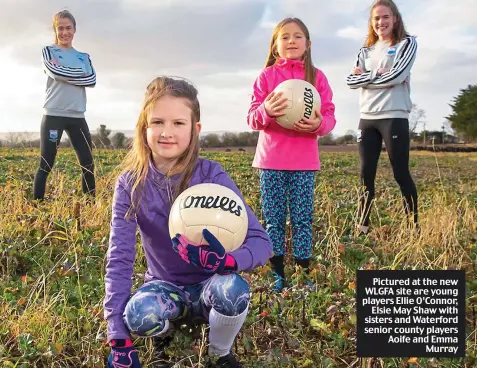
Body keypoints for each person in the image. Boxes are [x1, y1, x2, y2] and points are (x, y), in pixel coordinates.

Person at [104, 76, 272, 368]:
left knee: (232, 289)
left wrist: (228, 262)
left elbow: (261, 242)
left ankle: (219, 353)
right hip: (164, 287)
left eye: (178, 123)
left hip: (210, 286)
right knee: (138, 315)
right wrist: (118, 337)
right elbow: (119, 258)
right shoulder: (130, 184)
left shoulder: (211, 175)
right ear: (144, 127)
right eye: (157, 122)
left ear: (195, 130)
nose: (166, 132)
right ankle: (166, 338)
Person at [247, 18, 336, 293]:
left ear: (307, 44)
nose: (291, 41)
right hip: (271, 161)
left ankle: (303, 272)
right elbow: (252, 119)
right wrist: (267, 111)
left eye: (298, 36)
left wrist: (318, 125)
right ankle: (278, 274)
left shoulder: (317, 77)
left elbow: (330, 115)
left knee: (301, 219)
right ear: (275, 46)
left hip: (304, 162)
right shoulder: (266, 77)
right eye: (284, 37)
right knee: (273, 219)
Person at [346, 0, 418, 235]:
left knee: (400, 173)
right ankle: (362, 227)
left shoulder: (407, 43)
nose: (381, 22)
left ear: (395, 18)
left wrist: (366, 77)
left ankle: (413, 227)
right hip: (367, 119)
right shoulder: (365, 50)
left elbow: (396, 76)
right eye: (376, 19)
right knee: (366, 174)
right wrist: (377, 73)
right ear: (372, 23)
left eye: (385, 17)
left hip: (393, 116)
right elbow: (350, 81)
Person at [33, 10, 96, 201]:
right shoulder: (49, 51)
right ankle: (37, 207)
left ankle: (89, 204)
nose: (64, 32)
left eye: (68, 28)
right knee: (46, 163)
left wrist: (64, 73)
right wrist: (78, 75)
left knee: (88, 163)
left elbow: (92, 79)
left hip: (77, 116)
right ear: (55, 30)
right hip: (53, 114)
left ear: (74, 29)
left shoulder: (84, 57)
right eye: (60, 28)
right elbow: (54, 72)